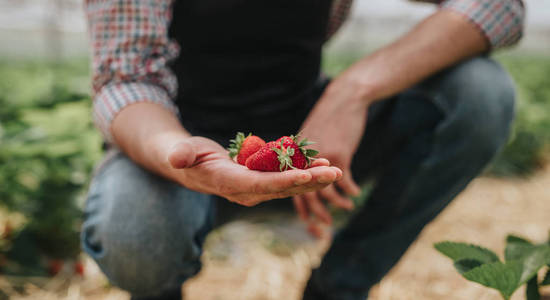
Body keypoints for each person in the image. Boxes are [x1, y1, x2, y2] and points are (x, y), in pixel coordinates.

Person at [81, 0, 525, 299]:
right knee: (135, 231)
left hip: (308, 135)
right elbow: (125, 79)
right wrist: (178, 154)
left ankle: (338, 289)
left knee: (480, 93)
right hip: (176, 142)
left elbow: (499, 6)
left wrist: (353, 92)